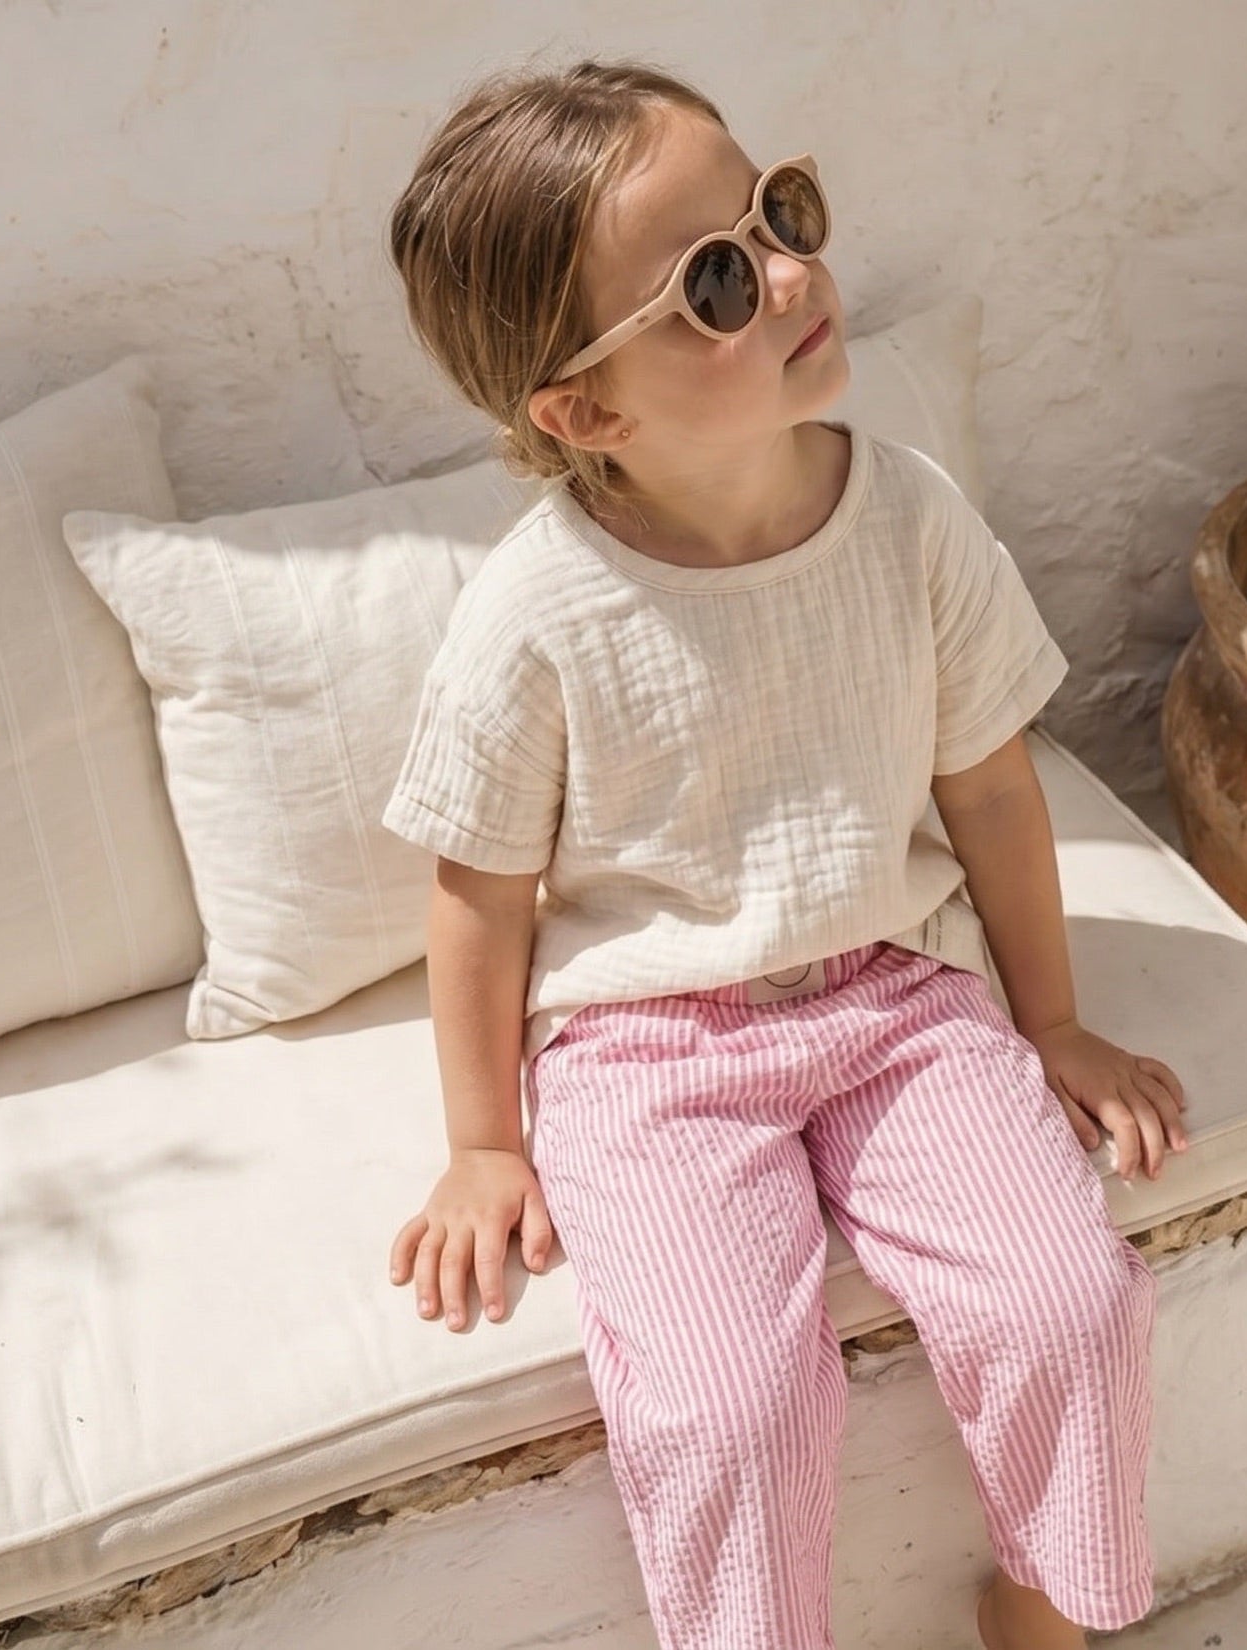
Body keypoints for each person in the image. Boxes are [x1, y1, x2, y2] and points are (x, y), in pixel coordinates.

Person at [379, 57, 1188, 1650]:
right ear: (585, 410)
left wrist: (1050, 1019)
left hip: (895, 996)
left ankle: (1042, 1608)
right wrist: (483, 1142)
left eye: (780, 212)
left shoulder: (909, 517)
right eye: (717, 281)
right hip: (645, 1056)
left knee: (1069, 1300)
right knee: (729, 1409)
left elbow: (990, 791)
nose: (794, 274)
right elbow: (476, 892)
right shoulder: (536, 610)